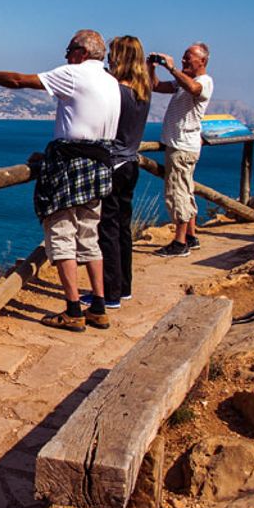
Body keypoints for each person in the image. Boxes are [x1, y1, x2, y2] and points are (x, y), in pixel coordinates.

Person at [0, 29, 120, 331]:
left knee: (60, 236)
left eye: (69, 49)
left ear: (82, 52)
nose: (65, 55)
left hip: (71, 168)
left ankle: (73, 311)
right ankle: (99, 306)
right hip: (99, 167)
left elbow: (19, 81)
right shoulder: (111, 82)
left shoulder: (75, 74)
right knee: (89, 237)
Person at [92, 36, 152, 308]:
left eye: (112, 55)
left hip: (114, 166)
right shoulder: (143, 91)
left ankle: (110, 293)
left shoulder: (117, 92)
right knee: (123, 228)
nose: (108, 60)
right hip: (131, 165)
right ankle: (124, 286)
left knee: (108, 230)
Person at [149, 43, 213, 257]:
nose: (184, 60)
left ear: (202, 61)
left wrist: (172, 69)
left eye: (188, 58)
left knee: (177, 194)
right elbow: (155, 86)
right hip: (180, 145)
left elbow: (194, 90)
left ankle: (179, 242)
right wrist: (152, 67)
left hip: (182, 146)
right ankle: (191, 236)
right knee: (185, 191)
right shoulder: (182, 83)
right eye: (183, 57)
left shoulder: (204, 81)